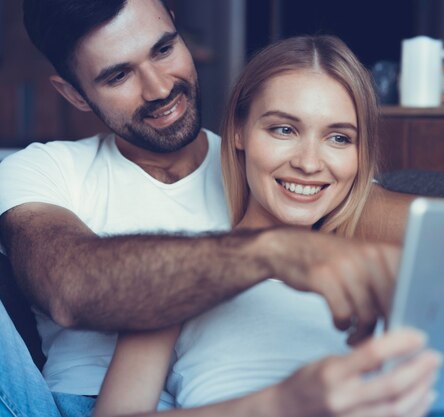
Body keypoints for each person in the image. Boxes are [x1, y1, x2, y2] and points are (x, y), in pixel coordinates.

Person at [91, 35, 444, 417]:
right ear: (237, 131)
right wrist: (283, 405)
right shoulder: (186, 270)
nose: (309, 162)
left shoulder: (404, 271)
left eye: (339, 138)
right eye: (283, 129)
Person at [0, 1, 406, 416]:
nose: (158, 89)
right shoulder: (43, 169)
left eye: (163, 49)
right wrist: (274, 252)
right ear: (73, 93)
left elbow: (424, 230)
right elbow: (70, 287)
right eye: (119, 75)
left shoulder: (297, 181)